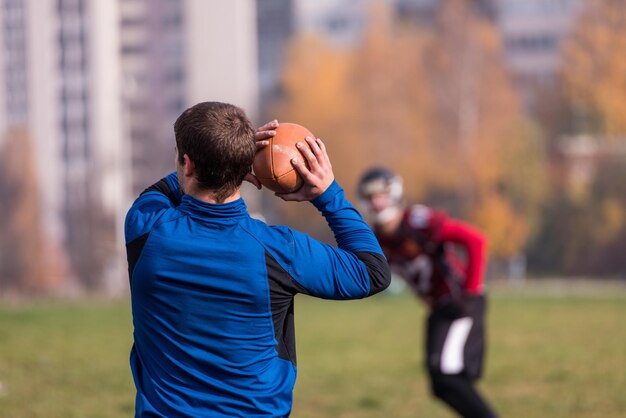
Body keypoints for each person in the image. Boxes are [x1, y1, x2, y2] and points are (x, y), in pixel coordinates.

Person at [124, 101, 391, 417]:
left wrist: (226, 156)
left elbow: (160, 191)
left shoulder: (144, 228)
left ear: (187, 164)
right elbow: (372, 272)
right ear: (241, 166)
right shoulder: (278, 250)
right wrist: (328, 194)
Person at [357, 166, 498, 418]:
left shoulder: (416, 221)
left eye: (381, 194)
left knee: (447, 375)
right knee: (441, 384)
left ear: (395, 193)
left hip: (460, 303)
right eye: (370, 197)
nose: (377, 202)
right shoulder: (378, 238)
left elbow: (475, 240)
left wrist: (470, 291)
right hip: (440, 308)